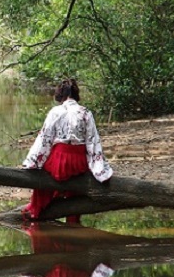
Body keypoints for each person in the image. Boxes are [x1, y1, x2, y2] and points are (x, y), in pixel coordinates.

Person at [22, 79, 113, 221]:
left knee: (43, 177)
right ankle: (73, 219)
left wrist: (32, 162)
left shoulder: (55, 112)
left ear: (60, 95)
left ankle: (37, 209)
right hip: (78, 162)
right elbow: (92, 142)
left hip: (60, 161)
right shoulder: (86, 112)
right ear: (76, 94)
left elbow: (45, 139)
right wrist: (99, 168)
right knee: (76, 185)